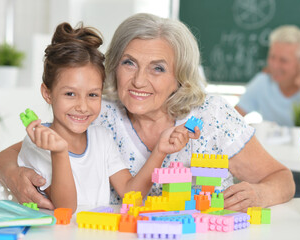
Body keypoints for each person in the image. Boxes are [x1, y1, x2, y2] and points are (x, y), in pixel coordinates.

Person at [0, 13, 295, 212]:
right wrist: (14, 175)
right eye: (129, 63)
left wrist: (258, 195)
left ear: (180, 77)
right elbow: (14, 154)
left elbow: (282, 178)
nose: (139, 81)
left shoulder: (211, 115)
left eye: (158, 69)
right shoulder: (98, 112)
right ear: (113, 66)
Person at [16, 22, 198, 212]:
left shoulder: (101, 137)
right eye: (70, 94)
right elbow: (65, 210)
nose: (82, 106)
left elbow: (131, 195)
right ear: (47, 93)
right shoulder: (38, 143)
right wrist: (59, 152)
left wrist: (160, 150)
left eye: (93, 95)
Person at [235, 25, 300, 127]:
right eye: (272, 57)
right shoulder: (262, 82)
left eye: (283, 60)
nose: (274, 66)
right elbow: (232, 118)